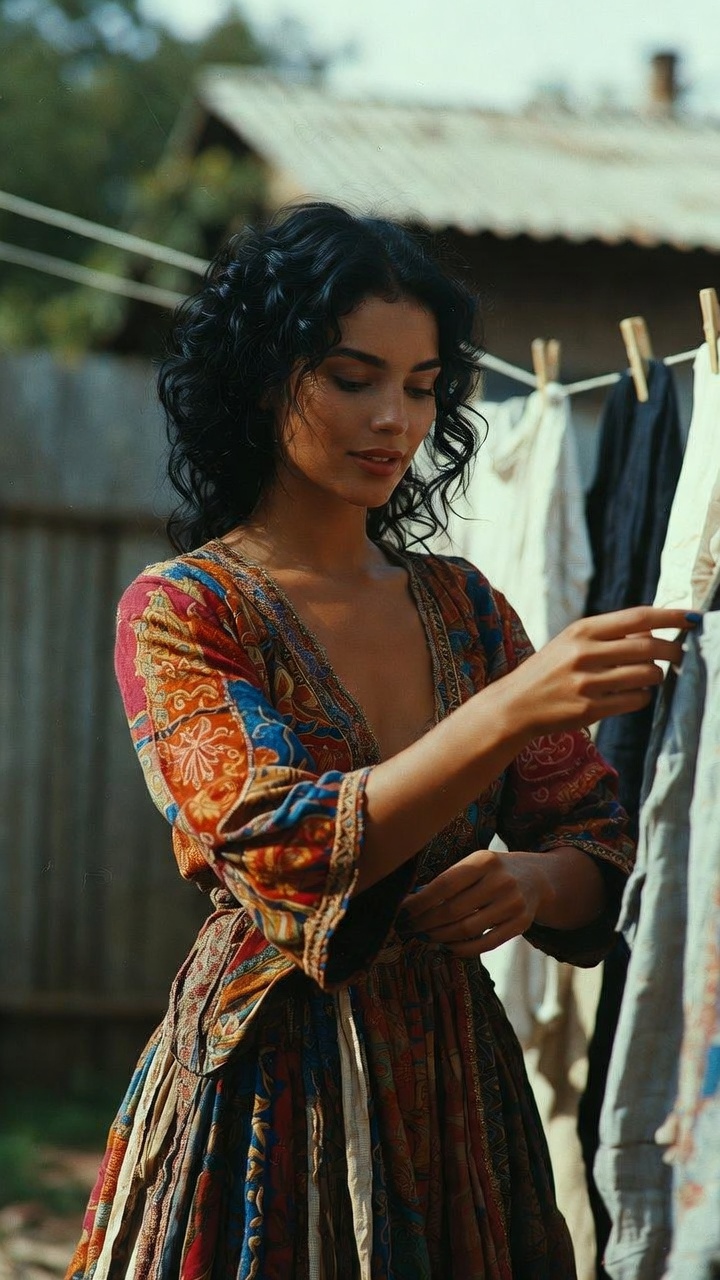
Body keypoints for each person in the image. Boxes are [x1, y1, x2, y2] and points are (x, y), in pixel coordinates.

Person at [66, 202, 693, 1280]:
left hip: (458, 1087)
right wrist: (508, 709)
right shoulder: (183, 609)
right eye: (354, 378)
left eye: (422, 385)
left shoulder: (465, 607)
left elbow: (603, 836)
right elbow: (282, 844)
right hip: (269, 1089)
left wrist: (538, 883)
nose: (394, 420)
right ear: (262, 377)